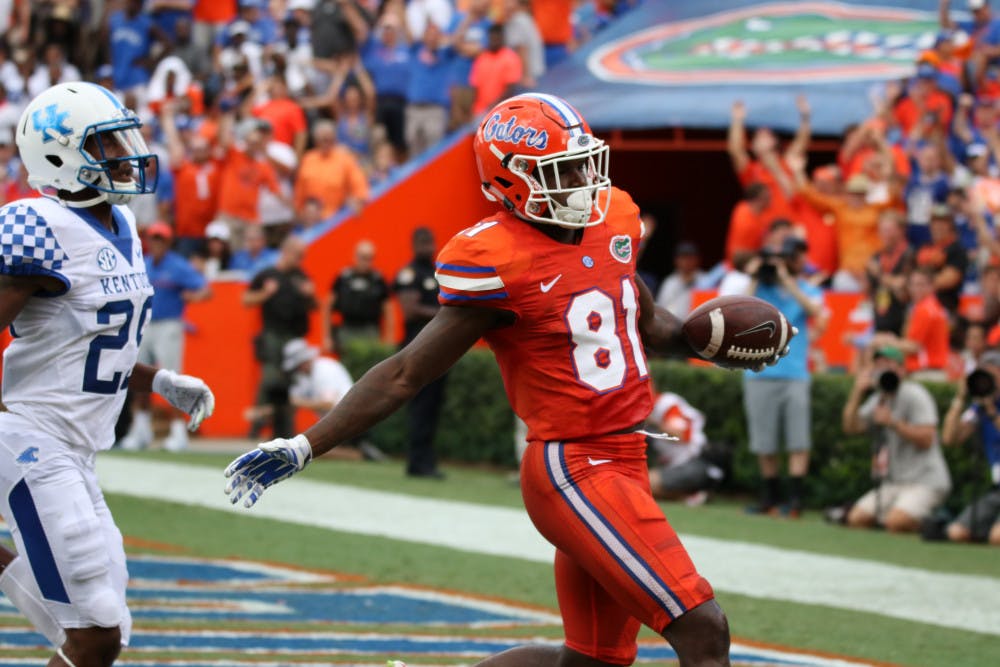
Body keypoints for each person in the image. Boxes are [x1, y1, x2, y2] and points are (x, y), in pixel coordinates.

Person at [225, 92, 794, 667]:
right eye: (560, 170)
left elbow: (648, 323)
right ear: (510, 179)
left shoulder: (612, 218)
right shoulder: (497, 258)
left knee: (591, 662)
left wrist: (716, 343)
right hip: (573, 468)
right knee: (703, 628)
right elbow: (403, 374)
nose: (580, 180)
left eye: (583, 163)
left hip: (625, 459)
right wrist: (304, 444)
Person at [0, 83, 214, 667]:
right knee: (94, 631)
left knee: (106, 631)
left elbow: (96, 346)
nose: (125, 152)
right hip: (35, 439)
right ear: (58, 154)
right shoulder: (36, 226)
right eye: (106, 142)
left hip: (79, 447)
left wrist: (158, 381)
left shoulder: (121, 223)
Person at [742, 235, 827, 517]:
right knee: (764, 441)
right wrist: (756, 275)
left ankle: (795, 500)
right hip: (759, 373)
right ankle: (770, 498)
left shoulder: (804, 288)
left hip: (794, 374)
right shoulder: (760, 289)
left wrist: (787, 282)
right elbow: (739, 307)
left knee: (797, 439)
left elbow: (816, 312)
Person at [118, 222, 211, 452]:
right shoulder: (144, 264)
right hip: (146, 325)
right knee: (139, 377)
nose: (156, 243)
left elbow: (206, 289)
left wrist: (192, 296)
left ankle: (178, 433)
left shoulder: (178, 266)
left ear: (168, 242)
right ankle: (141, 431)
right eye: (153, 238)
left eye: (160, 239)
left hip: (169, 324)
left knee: (171, 379)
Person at [842, 346, 952, 532]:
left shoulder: (914, 393)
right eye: (878, 364)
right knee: (857, 518)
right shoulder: (879, 397)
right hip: (894, 482)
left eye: (888, 364)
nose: (882, 369)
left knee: (896, 522)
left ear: (902, 369)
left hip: (925, 481)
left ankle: (936, 521)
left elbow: (927, 439)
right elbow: (850, 427)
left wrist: (893, 423)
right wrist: (857, 392)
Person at [242, 235, 317, 439]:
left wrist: (309, 294)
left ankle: (285, 429)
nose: (299, 260)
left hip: (294, 336)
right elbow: (246, 299)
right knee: (270, 380)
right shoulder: (268, 274)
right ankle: (257, 426)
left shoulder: (300, 276)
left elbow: (314, 306)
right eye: (298, 255)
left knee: (292, 382)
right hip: (273, 334)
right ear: (286, 251)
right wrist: (266, 293)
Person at [395, 226, 447, 479]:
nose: (428, 247)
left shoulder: (437, 272)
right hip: (417, 344)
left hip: (439, 347)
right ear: (415, 244)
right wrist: (445, 316)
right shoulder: (410, 273)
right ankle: (416, 462)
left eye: (431, 242)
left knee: (433, 405)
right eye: (423, 242)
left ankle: (427, 460)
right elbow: (409, 310)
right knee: (421, 405)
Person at [941, 349, 1000, 545]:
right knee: (957, 533)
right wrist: (959, 399)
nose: (987, 382)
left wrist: (992, 412)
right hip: (996, 489)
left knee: (997, 538)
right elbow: (950, 438)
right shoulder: (979, 407)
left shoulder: (989, 408)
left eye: (992, 376)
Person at [646, 391, 731, 506]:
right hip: (676, 466)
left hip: (696, 461)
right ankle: (689, 495)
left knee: (641, 483)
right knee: (636, 484)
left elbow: (680, 435)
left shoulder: (665, 403)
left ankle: (690, 493)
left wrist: (652, 421)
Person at [321, 239, 394, 356]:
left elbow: (388, 310)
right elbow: (327, 306)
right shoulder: (343, 277)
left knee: (370, 365)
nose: (366, 262)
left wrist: (389, 338)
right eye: (363, 257)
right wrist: (326, 337)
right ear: (355, 256)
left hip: (370, 331)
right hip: (347, 330)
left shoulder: (378, 279)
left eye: (369, 258)